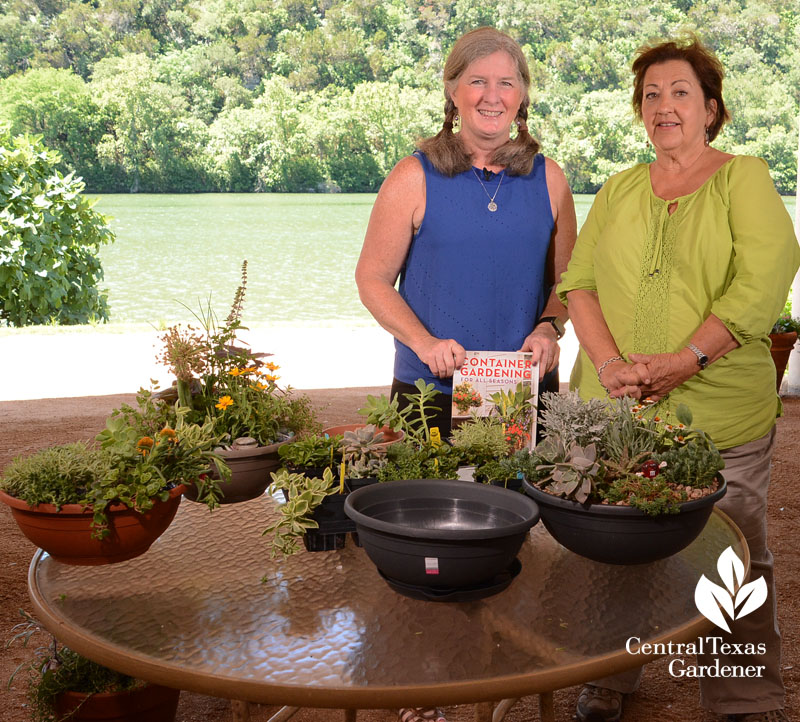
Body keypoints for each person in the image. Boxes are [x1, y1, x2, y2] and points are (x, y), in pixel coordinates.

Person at [558, 35, 799, 722]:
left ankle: (742, 697)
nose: (664, 106)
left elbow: (763, 283)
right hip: (615, 414)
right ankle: (610, 674)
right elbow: (579, 285)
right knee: (612, 550)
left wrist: (684, 361)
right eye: (651, 95)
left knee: (733, 555)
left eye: (680, 93)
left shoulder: (743, 178)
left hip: (720, 413)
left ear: (712, 108)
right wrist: (608, 368)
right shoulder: (619, 187)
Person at [356, 26, 576, 439]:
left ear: (521, 96)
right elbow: (371, 280)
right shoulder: (412, 176)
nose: (492, 96)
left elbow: (568, 281)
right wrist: (424, 343)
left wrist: (549, 327)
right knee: (427, 503)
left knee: (525, 504)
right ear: (453, 90)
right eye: (478, 81)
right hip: (429, 392)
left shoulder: (550, 179)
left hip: (526, 392)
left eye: (506, 84)